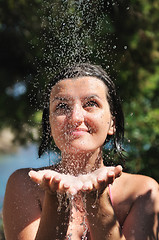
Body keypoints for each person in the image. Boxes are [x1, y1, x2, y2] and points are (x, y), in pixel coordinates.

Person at [3, 63, 159, 240]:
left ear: (112, 123)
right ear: (50, 125)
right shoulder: (26, 184)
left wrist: (97, 199)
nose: (75, 117)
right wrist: (56, 200)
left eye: (91, 103)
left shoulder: (142, 191)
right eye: (62, 106)